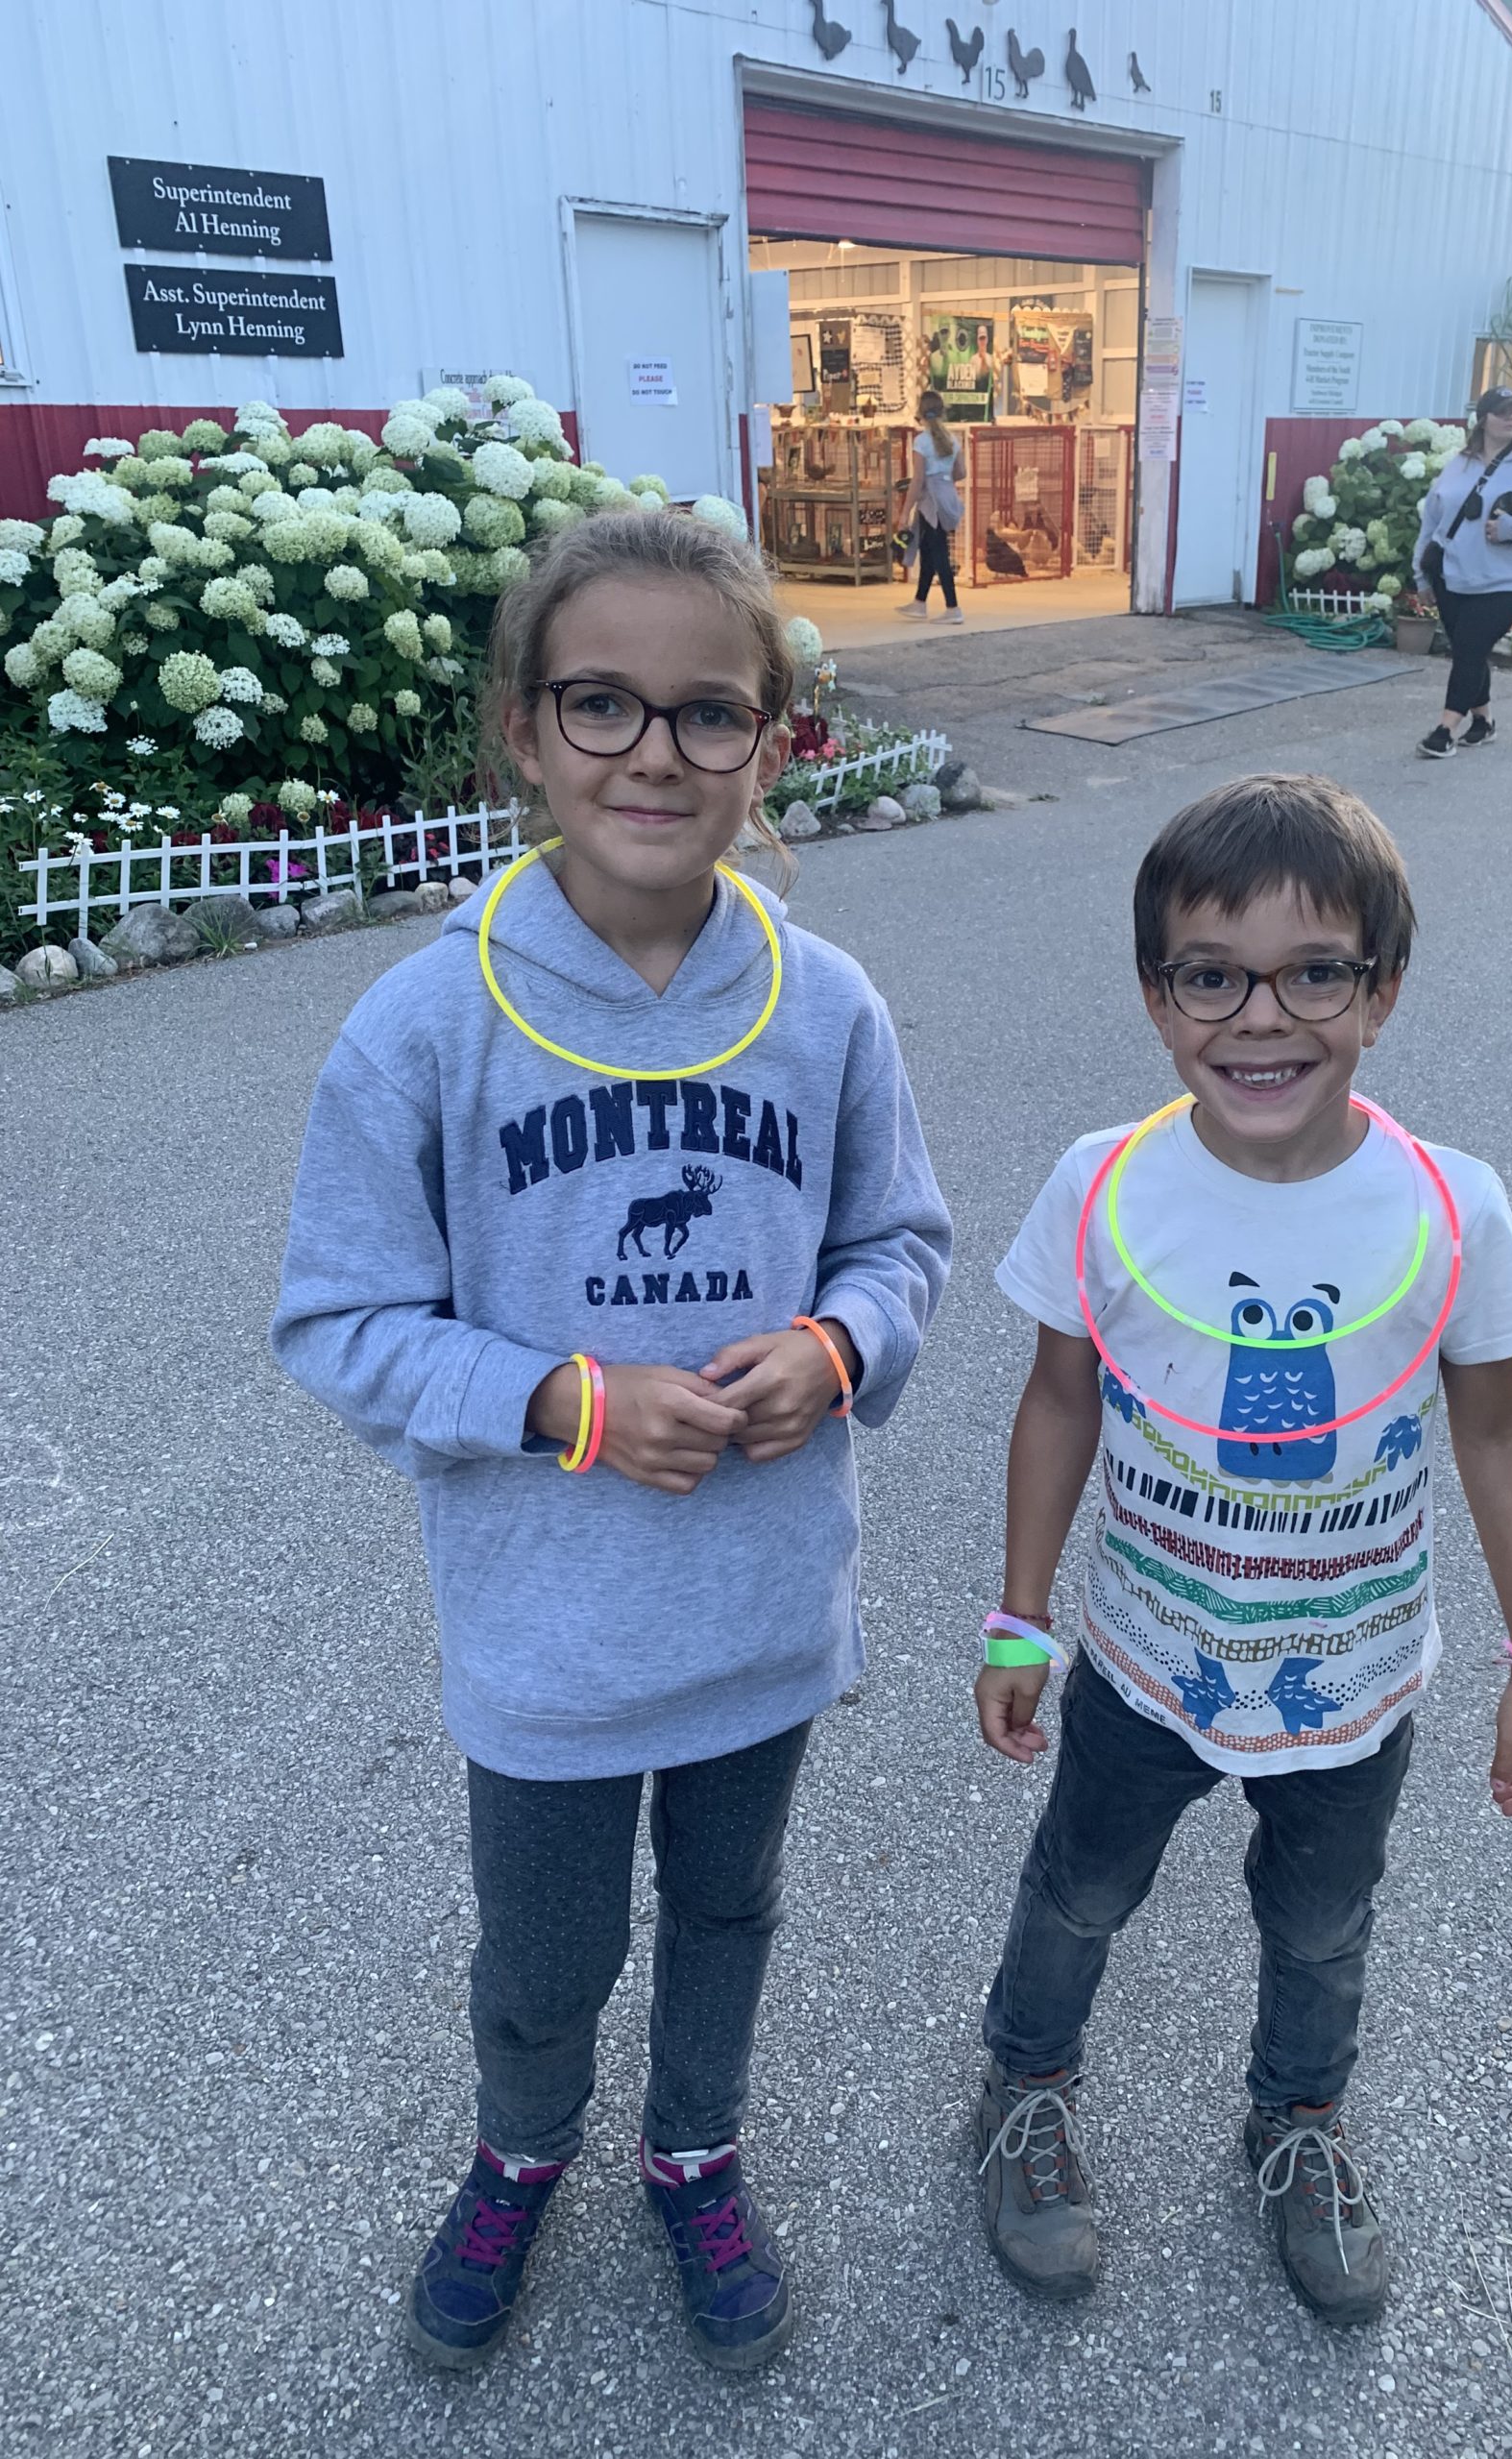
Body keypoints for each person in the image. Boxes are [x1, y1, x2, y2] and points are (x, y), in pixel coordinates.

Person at [272, 509, 951, 2376]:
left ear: (772, 740)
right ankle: (522, 2148)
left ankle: (694, 2147)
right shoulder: (425, 1028)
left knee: (728, 1906)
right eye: (602, 703)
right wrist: (559, 1400)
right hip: (551, 1640)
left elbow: (900, 1244)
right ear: (524, 725)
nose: (656, 752)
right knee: (546, 1955)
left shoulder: (825, 1009)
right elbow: (337, 1320)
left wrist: (838, 1342)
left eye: (708, 711)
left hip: (757, 1613)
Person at [969, 774, 1512, 2323]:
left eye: (1314, 973)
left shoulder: (1448, 1208)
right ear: (1154, 994)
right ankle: (1024, 2087)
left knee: (1320, 1928)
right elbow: (1058, 1402)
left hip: (1352, 1682)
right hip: (1147, 1664)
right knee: (1081, 1892)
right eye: (1211, 976)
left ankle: (1297, 2122)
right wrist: (1020, 1618)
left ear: (1383, 990)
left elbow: (1499, 1435)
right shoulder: (1104, 1185)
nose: (1262, 1019)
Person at [1411, 385, 1512, 760]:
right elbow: (1432, 519)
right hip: (1452, 576)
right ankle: (1484, 721)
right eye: (1501, 412)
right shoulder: (1459, 463)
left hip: (1503, 581)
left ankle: (1445, 729)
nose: (1510, 418)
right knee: (1470, 651)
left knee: (1469, 648)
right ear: (1483, 420)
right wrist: (1421, 575)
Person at [898, 389, 966, 623]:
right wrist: (944, 479)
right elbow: (961, 472)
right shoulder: (952, 439)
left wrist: (905, 511)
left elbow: (917, 480)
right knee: (928, 549)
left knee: (939, 553)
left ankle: (953, 607)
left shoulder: (921, 442)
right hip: (948, 497)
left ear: (920, 412)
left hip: (931, 501)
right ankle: (919, 602)